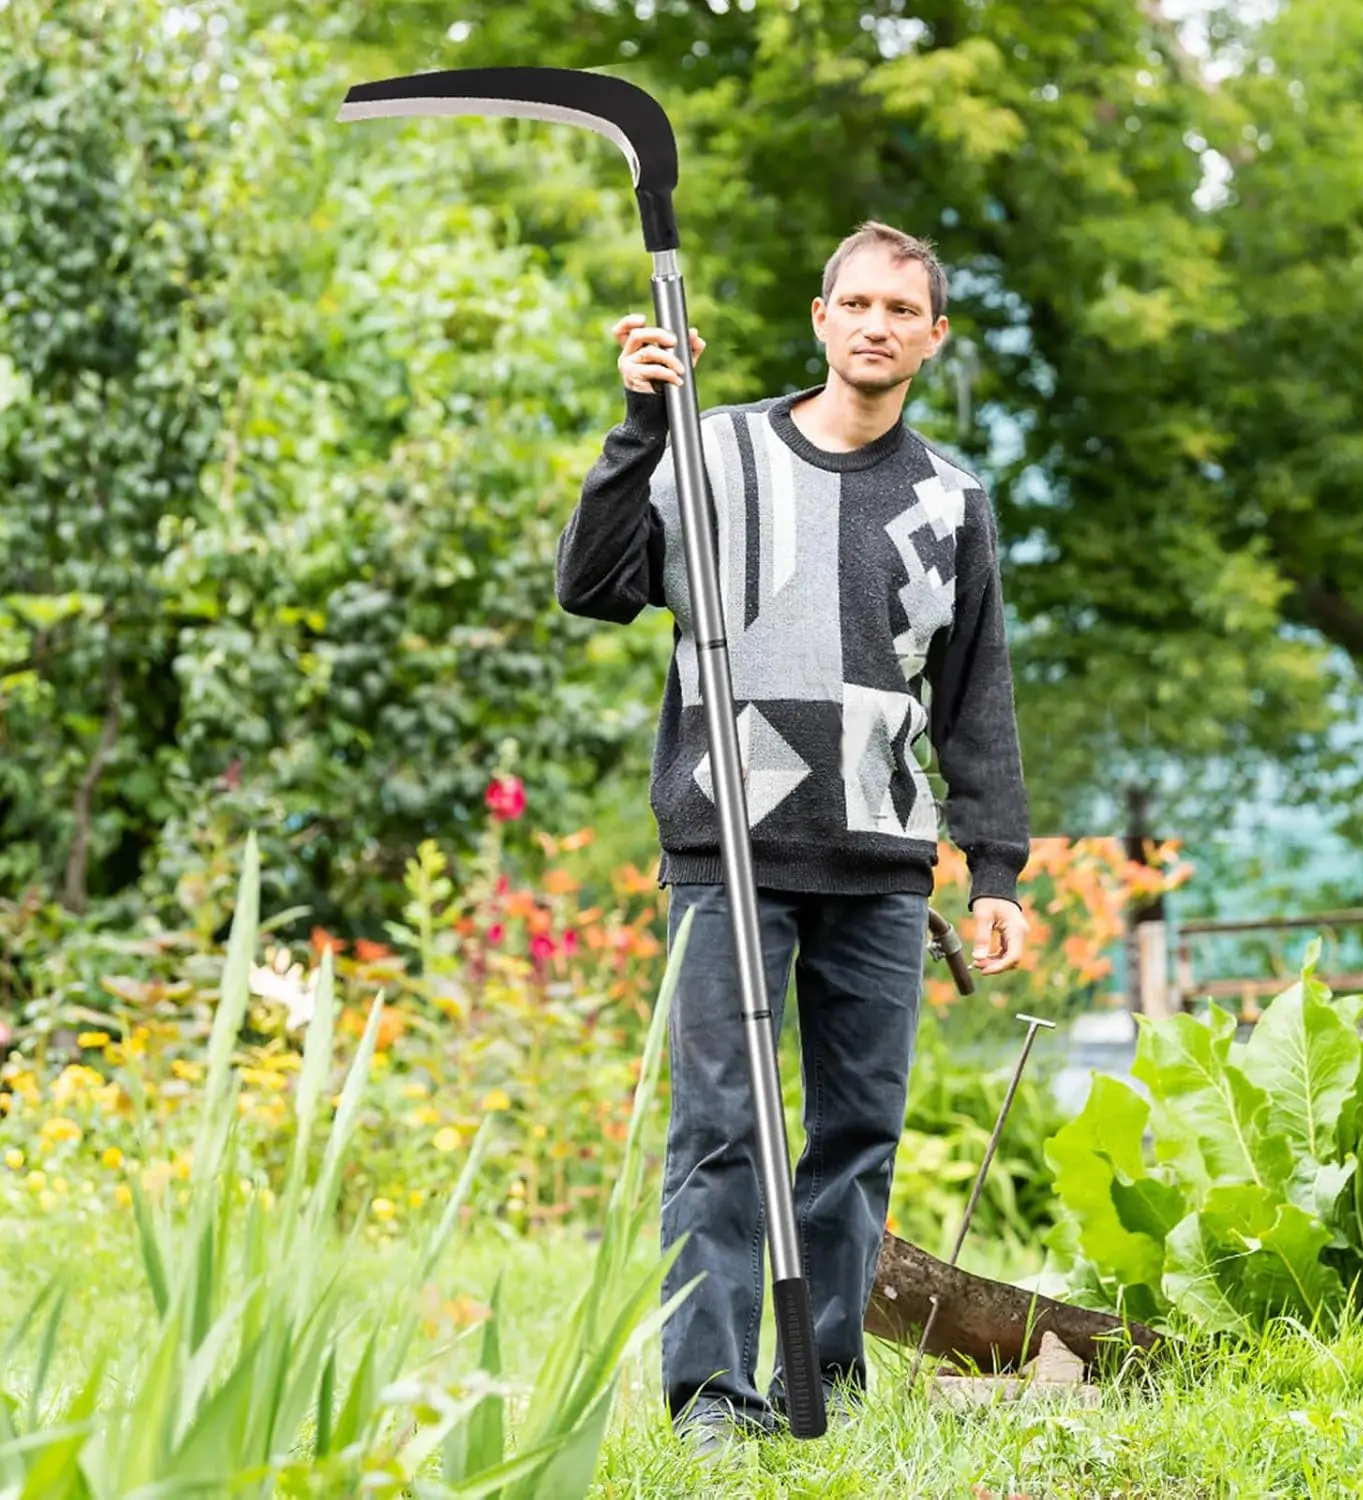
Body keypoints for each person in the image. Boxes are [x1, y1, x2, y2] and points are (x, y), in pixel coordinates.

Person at [554, 220, 1030, 1452]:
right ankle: (710, 1396)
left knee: (858, 1130)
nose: (875, 325)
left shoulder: (951, 499)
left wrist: (997, 868)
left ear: (932, 336)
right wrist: (639, 428)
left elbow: (976, 694)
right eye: (855, 303)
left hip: (880, 857)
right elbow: (595, 585)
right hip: (732, 841)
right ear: (821, 320)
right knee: (720, 1126)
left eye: (900, 309)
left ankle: (824, 1381)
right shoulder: (712, 453)